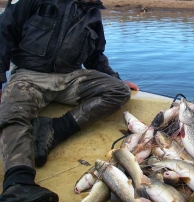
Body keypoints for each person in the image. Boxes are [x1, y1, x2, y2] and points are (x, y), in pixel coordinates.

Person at [0, 0, 139, 201]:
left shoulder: (92, 13)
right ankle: (19, 183)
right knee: (12, 110)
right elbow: (4, 31)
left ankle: (54, 130)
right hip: (29, 75)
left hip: (70, 77)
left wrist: (116, 79)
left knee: (118, 91)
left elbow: (95, 56)